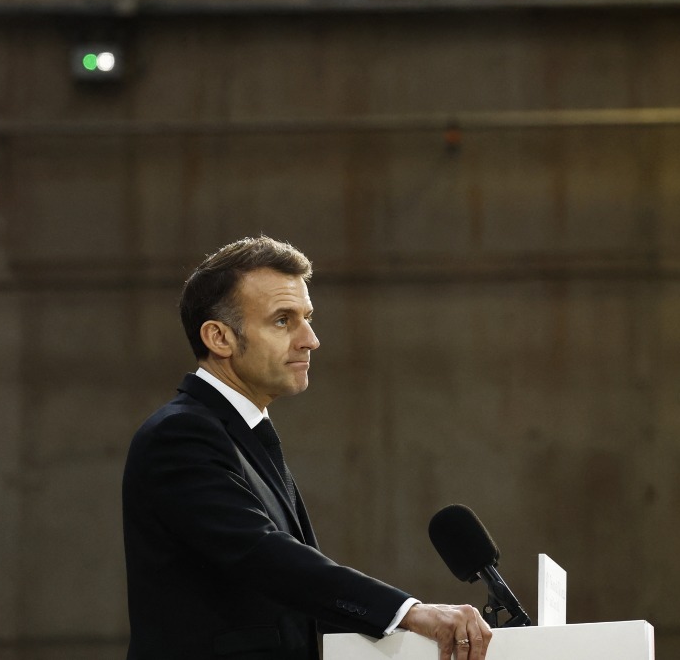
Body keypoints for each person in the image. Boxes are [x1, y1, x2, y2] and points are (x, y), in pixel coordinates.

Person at [123, 236, 492, 660]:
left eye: (307, 317)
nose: (310, 339)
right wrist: (407, 612)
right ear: (219, 337)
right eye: (283, 320)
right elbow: (264, 556)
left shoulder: (242, 432)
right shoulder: (180, 435)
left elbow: (293, 594)